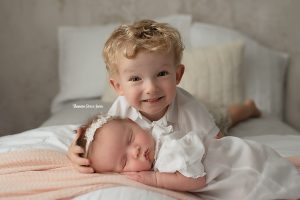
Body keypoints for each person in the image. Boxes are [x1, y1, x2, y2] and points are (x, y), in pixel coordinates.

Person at [68, 19, 260, 173]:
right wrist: (74, 152)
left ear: (177, 75)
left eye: (161, 74)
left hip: (203, 119)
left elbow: (220, 147)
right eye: (135, 78)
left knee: (225, 117)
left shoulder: (190, 109)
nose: (151, 88)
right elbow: (98, 138)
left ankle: (247, 108)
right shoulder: (121, 109)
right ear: (118, 87)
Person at [76, 114, 300, 199]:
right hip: (237, 153)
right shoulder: (153, 136)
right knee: (275, 162)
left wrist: (155, 180)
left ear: (137, 124)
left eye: (130, 139)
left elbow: (197, 180)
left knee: (273, 182)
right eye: (124, 161)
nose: (134, 151)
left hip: (238, 166)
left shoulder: (167, 155)